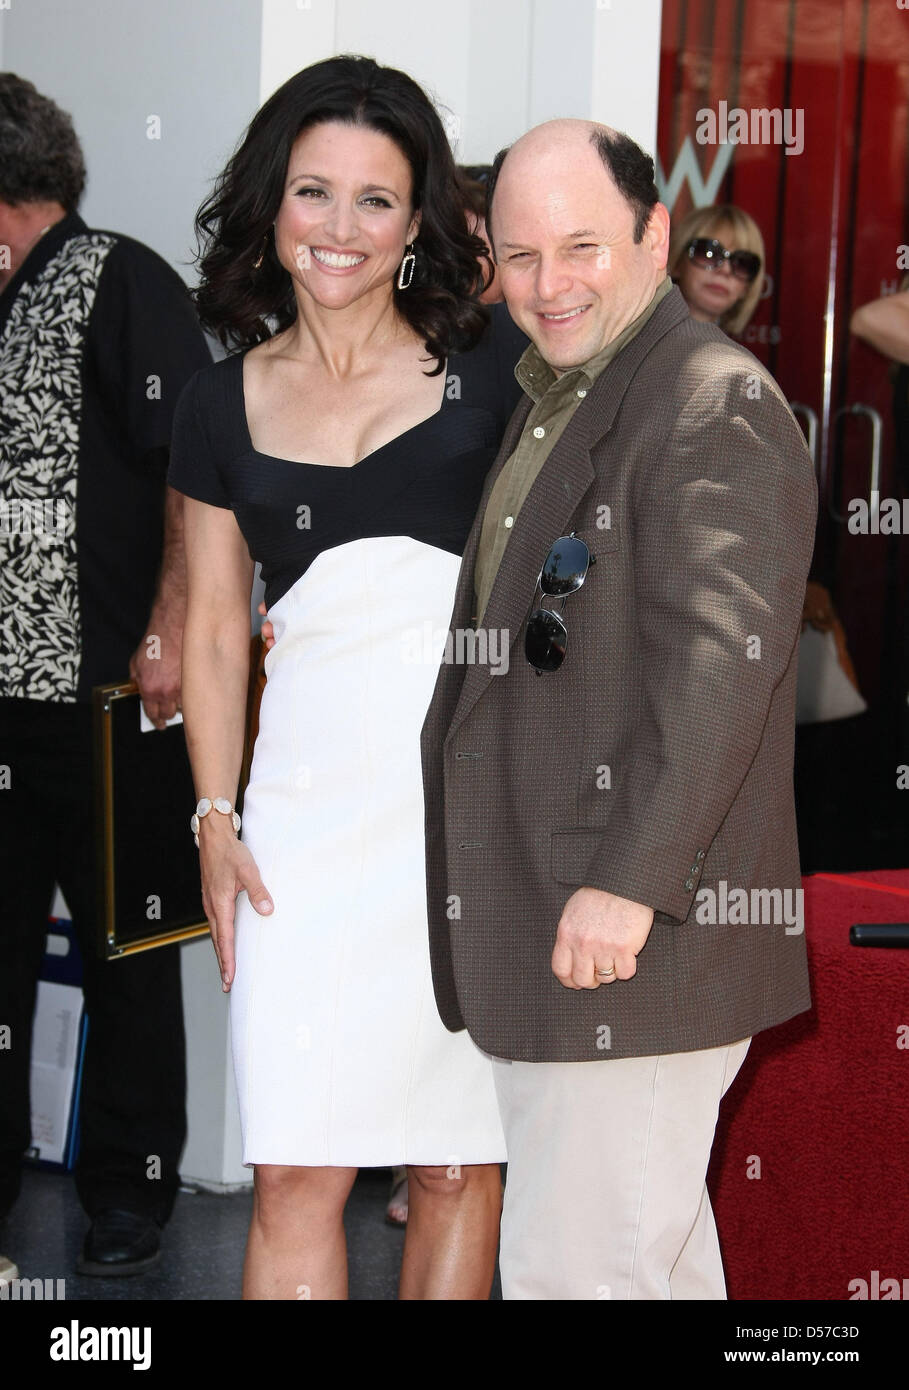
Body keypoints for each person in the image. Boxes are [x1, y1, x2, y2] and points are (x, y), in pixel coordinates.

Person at [419, 119, 817, 1299]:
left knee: (578, 1275)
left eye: (582, 247)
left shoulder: (707, 398)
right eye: (523, 256)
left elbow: (720, 667)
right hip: (574, 920)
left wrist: (631, 882)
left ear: (654, 235)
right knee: (650, 1265)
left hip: (627, 930)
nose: (550, 286)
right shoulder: (563, 390)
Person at [168, 55, 525, 1301]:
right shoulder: (217, 403)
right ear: (272, 202)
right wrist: (215, 816)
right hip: (305, 828)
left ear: (419, 220)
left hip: (467, 821)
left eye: (377, 201)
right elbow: (215, 626)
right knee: (293, 1168)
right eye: (314, 192)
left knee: (453, 1163)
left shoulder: (492, 374)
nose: (340, 230)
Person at [0, 74, 208, 1274]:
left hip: (107, 688)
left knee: (131, 949)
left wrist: (172, 623)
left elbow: (191, 458)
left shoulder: (119, 277)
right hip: (2, 708)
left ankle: (131, 1192)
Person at [668, 202, 764, 335]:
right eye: (709, 253)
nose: (725, 270)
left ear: (746, 288)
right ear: (677, 262)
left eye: (742, 262)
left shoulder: (734, 355)